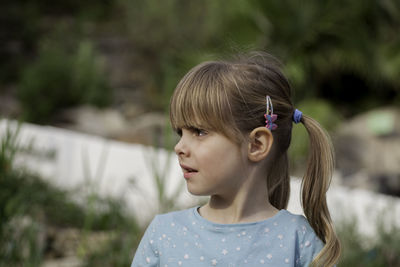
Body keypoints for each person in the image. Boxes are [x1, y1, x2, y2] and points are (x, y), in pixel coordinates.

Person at [131, 52, 341, 267]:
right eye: (180, 133)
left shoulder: (300, 243)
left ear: (257, 144)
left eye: (199, 132)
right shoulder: (164, 235)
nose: (179, 147)